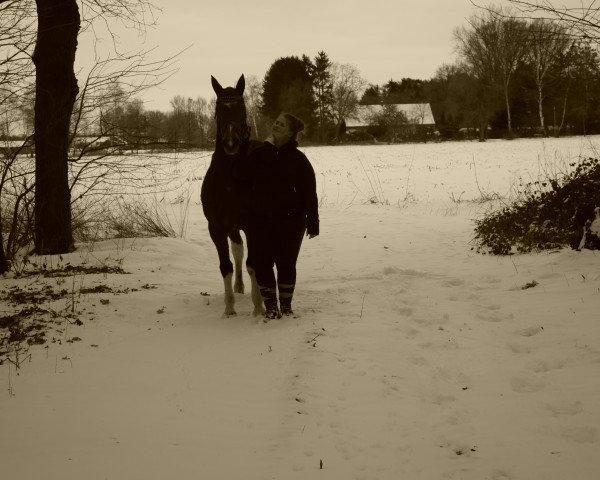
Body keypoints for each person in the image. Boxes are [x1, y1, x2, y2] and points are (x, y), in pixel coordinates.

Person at [244, 113, 319, 320]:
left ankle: (286, 306)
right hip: (259, 220)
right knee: (262, 263)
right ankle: (271, 308)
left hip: (291, 221)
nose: (275, 125)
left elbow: (309, 193)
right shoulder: (258, 155)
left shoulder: (299, 160)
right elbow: (243, 182)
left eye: (281, 124)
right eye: (276, 121)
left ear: (290, 132)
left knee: (286, 263)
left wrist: (313, 223)